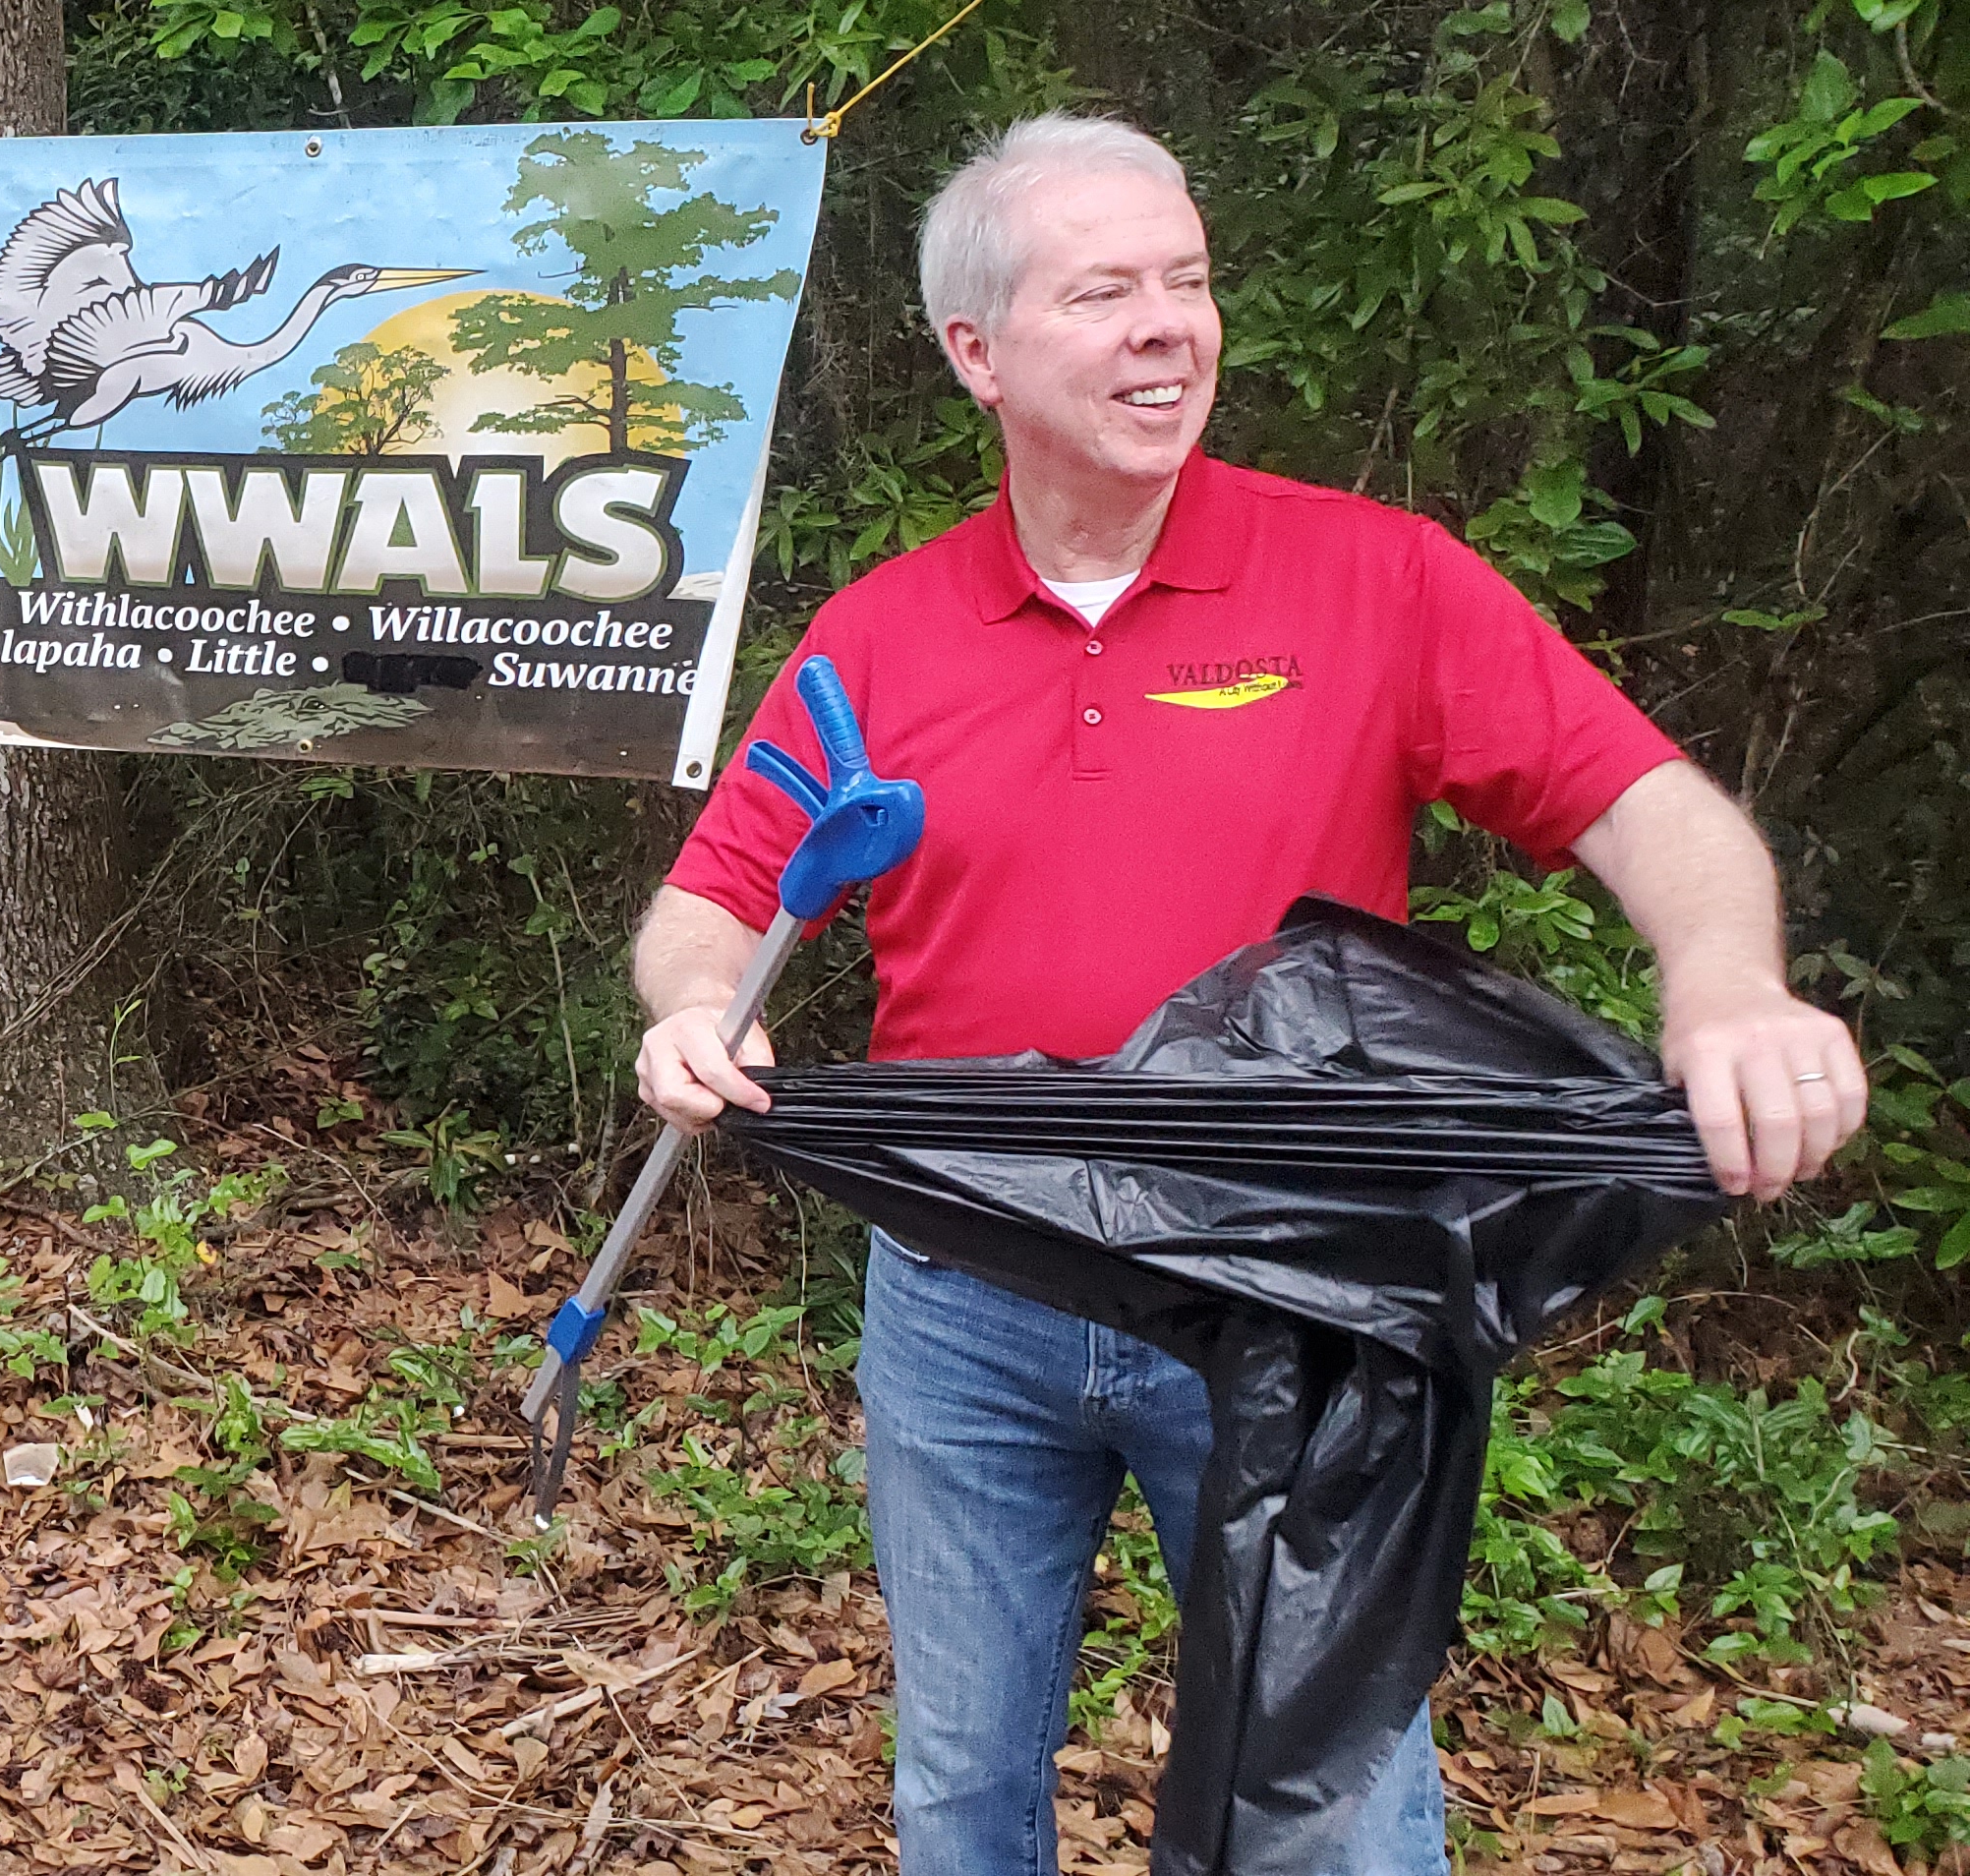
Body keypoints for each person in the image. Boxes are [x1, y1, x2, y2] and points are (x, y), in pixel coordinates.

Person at [629, 115, 1867, 1876]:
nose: (1167, 325)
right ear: (975, 351)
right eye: (1106, 289)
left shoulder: (1375, 580)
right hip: (963, 1298)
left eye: (1187, 281)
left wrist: (1728, 982)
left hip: (1293, 1290)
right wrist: (696, 1006)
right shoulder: (879, 636)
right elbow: (708, 901)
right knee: (962, 1776)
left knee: (1334, 1800)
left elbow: (1645, 803)